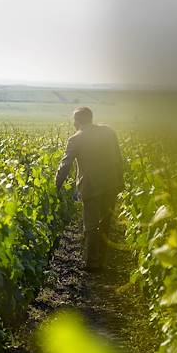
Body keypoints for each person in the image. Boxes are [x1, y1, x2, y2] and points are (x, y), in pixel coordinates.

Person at [56, 107, 124, 271]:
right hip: (112, 184)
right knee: (105, 222)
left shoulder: (76, 139)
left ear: (77, 121)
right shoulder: (109, 131)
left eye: (74, 120)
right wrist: (120, 181)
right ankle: (101, 260)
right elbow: (119, 158)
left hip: (91, 186)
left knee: (92, 225)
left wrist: (57, 184)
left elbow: (65, 165)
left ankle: (92, 263)